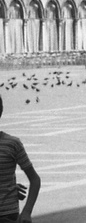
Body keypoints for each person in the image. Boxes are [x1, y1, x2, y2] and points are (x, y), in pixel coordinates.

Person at [0, 93, 41, 223]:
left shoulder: (12, 144)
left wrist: (27, 212)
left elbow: (34, 179)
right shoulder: (12, 143)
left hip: (7, 216)